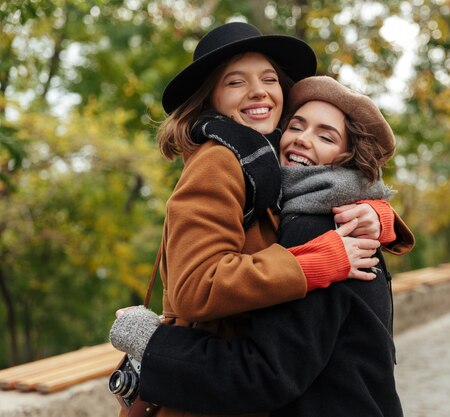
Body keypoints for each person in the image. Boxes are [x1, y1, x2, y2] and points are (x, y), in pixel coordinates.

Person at [113, 22, 413, 417]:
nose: (258, 91)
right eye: (236, 82)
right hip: (210, 389)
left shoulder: (265, 164)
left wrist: (379, 214)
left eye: (269, 78)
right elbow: (195, 286)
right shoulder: (220, 160)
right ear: (211, 99)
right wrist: (314, 262)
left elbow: (324, 193)